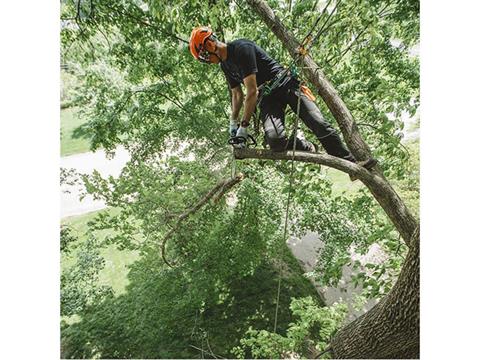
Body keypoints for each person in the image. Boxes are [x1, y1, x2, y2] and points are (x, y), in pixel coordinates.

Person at [189, 26, 375, 171]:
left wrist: (244, 126)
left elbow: (250, 92)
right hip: (268, 96)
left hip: (285, 83)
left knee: (317, 121)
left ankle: (350, 164)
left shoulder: (241, 49)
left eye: (204, 55)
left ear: (210, 45)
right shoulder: (225, 66)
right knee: (275, 141)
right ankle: (305, 145)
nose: (207, 60)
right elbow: (237, 94)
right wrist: (233, 121)